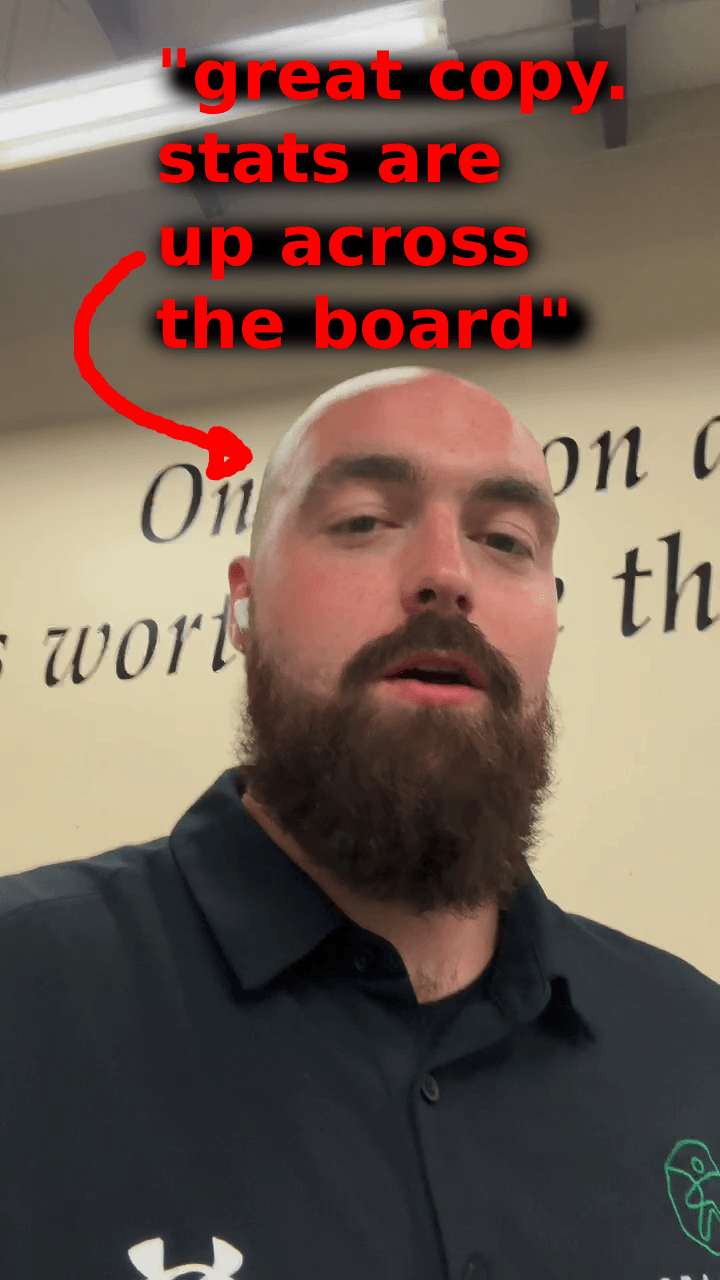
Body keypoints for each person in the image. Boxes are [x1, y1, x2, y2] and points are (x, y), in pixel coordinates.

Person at [1, 367, 719, 1280]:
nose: (447, 576)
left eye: (505, 540)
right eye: (365, 522)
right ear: (243, 603)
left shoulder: (695, 1048)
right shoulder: (24, 999)